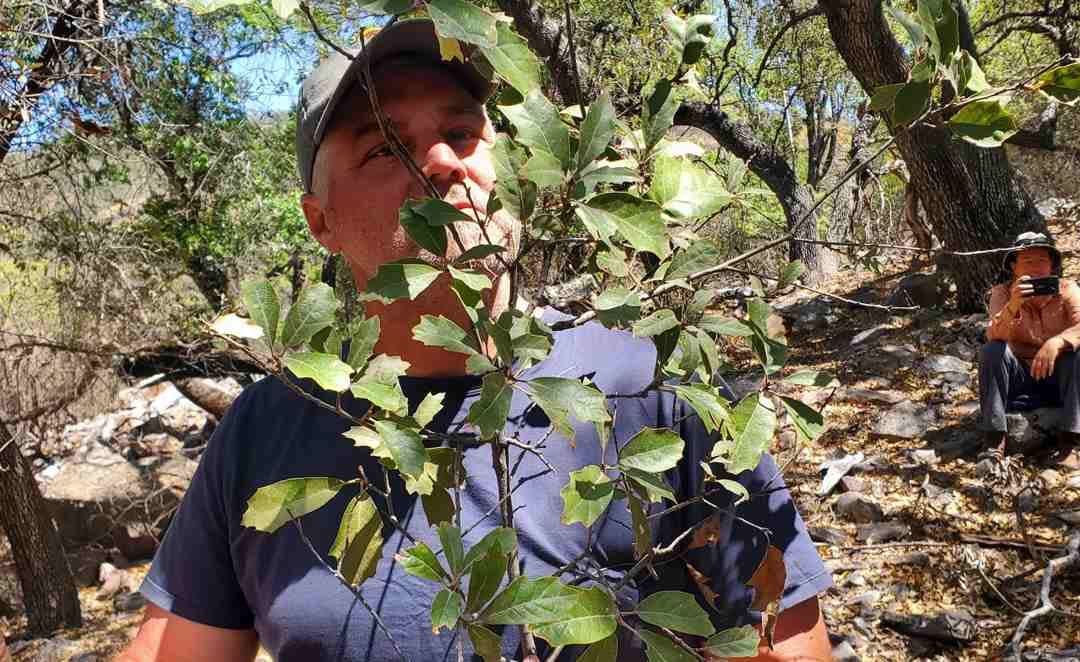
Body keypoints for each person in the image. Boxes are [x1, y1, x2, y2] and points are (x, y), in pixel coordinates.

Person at [117, 19, 832, 662]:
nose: (442, 162)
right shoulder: (263, 430)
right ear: (319, 222)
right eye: (384, 146)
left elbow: (782, 644)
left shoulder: (651, 383)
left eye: (461, 134)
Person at [980, 231, 1080, 459]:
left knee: (1077, 353)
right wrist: (1014, 304)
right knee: (992, 350)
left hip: (1060, 380)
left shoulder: (1067, 289)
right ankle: (994, 439)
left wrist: (1058, 342)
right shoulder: (1002, 293)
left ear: (1051, 266)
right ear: (1014, 267)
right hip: (1020, 382)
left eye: (1042, 261)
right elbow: (994, 334)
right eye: (1027, 261)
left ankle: (1071, 440)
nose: (1035, 267)